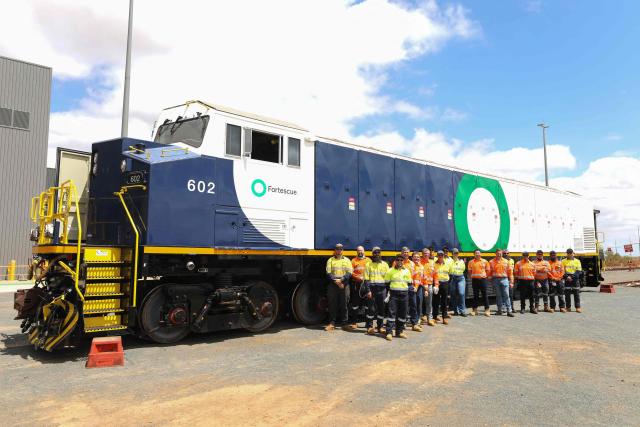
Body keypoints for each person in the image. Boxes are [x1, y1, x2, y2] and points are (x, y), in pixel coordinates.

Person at [325, 243, 353, 331]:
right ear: (335, 250)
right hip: (333, 285)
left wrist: (341, 280)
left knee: (344, 304)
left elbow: (349, 273)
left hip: (344, 284)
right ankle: (332, 324)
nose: (338, 250)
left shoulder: (347, 260)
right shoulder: (330, 260)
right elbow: (328, 273)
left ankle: (344, 324)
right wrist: (336, 281)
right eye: (337, 249)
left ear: (342, 250)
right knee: (332, 304)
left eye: (340, 249)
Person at [384, 254, 412, 340]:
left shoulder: (407, 271)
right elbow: (387, 283)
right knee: (391, 313)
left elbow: (409, 283)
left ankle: (399, 331)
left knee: (402, 314)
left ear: (403, 261)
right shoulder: (390, 271)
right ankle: (389, 332)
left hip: (404, 294)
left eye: (401, 260)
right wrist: (389, 293)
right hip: (394, 294)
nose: (400, 261)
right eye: (398, 260)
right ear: (395, 261)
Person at [363, 247, 389, 334]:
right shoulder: (368, 265)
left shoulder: (385, 264)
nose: (376, 254)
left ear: (380, 254)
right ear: (372, 254)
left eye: (378, 252)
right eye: (375, 253)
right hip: (372, 289)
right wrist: (368, 291)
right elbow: (366, 279)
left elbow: (388, 279)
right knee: (371, 309)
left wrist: (388, 291)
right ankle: (369, 327)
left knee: (381, 309)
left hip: (382, 289)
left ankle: (380, 326)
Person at [348, 246, 370, 330]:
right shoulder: (353, 261)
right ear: (356, 252)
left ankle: (368, 323)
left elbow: (371, 270)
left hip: (366, 285)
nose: (360, 252)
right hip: (356, 284)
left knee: (367, 305)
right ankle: (354, 322)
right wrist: (358, 277)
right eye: (358, 250)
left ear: (364, 251)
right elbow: (350, 272)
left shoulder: (368, 260)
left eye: (361, 250)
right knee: (355, 305)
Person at [489, 249, 515, 317]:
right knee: (498, 296)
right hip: (495, 280)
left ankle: (509, 311)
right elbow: (490, 272)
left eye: (500, 253)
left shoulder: (506, 261)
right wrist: (490, 279)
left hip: (504, 279)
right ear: (495, 254)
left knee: (506, 295)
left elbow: (510, 272)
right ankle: (499, 310)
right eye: (498, 253)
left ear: (501, 254)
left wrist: (511, 282)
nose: (499, 254)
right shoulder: (491, 261)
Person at [467, 249, 491, 316]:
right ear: (474, 254)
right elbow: (469, 271)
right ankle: (475, 310)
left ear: (481, 254)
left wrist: (484, 276)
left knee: (485, 295)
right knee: (475, 296)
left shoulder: (485, 261)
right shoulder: (471, 262)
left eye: (478, 253)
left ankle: (487, 310)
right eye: (476, 253)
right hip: (475, 280)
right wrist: (473, 276)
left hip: (483, 280)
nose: (477, 254)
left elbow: (488, 270)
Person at [421, 248, 439, 326]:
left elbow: (436, 275)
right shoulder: (419, 263)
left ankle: (429, 318)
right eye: (425, 253)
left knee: (429, 303)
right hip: (420, 285)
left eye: (427, 253)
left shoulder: (432, 263)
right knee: (419, 302)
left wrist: (436, 285)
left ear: (430, 254)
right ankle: (419, 318)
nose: (426, 255)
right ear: (422, 254)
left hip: (429, 285)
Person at [433, 250, 452, 325]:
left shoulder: (447, 264)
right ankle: (435, 317)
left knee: (444, 301)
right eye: (439, 255)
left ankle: (444, 318)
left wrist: (447, 283)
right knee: (435, 301)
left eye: (442, 255)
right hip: (436, 284)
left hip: (445, 283)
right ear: (437, 256)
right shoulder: (434, 264)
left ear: (444, 256)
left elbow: (450, 274)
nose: (440, 256)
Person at [562, 248, 583, 313]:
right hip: (567, 278)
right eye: (568, 253)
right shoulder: (563, 261)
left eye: (571, 253)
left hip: (575, 279)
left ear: (573, 253)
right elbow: (562, 271)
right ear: (567, 253)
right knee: (567, 294)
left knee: (576, 294)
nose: (569, 254)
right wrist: (567, 277)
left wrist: (572, 277)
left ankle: (578, 307)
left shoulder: (577, 261)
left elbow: (578, 271)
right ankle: (568, 308)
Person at [408, 252, 424, 331]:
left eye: (418, 257)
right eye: (415, 257)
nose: (416, 258)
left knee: (419, 303)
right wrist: (414, 286)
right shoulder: (411, 266)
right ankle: (413, 321)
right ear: (412, 258)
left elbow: (423, 277)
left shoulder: (421, 266)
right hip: (412, 287)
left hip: (419, 287)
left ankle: (417, 321)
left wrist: (426, 288)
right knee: (413, 304)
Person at [449, 248, 467, 316]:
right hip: (452, 278)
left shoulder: (461, 261)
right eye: (454, 253)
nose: (456, 254)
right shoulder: (449, 261)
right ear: (452, 254)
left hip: (460, 278)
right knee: (453, 295)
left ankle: (462, 311)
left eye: (457, 253)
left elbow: (463, 270)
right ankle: (455, 311)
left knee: (461, 293)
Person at [503, 250, 516, 314]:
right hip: (504, 278)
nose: (506, 254)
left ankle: (512, 307)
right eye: (504, 253)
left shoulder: (512, 260)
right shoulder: (501, 260)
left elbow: (513, 270)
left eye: (507, 253)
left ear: (509, 254)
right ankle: (504, 308)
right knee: (504, 294)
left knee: (511, 294)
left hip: (510, 278)